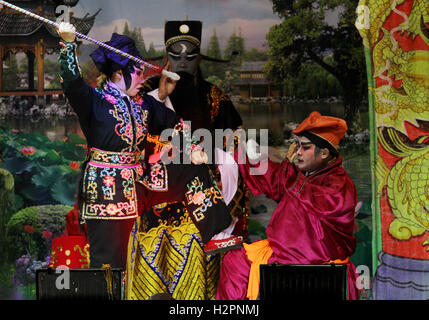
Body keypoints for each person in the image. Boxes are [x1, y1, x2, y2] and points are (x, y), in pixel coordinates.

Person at [56, 22, 235, 271]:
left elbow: (173, 123)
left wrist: (192, 147)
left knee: (193, 168)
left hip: (142, 179)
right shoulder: (93, 101)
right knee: (112, 264)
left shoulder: (143, 104)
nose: (143, 78)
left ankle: (215, 235)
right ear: (120, 72)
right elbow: (72, 83)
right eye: (139, 73)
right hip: (109, 190)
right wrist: (68, 44)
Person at [125, 20, 248, 300]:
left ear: (200, 59)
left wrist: (227, 140)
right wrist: (162, 94)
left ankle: (221, 229)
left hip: (202, 155)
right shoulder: (150, 90)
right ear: (166, 58)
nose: (182, 62)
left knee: (228, 163)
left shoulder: (213, 93)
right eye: (176, 56)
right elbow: (138, 122)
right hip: (161, 157)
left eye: (190, 56)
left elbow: (234, 129)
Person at [216, 111, 360, 300]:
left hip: (309, 259)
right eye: (298, 146)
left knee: (236, 262)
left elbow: (319, 201)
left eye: (305, 147)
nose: (298, 152)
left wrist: (291, 174)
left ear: (324, 153)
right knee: (234, 260)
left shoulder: (339, 183)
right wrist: (246, 155)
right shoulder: (311, 174)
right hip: (292, 254)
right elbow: (277, 181)